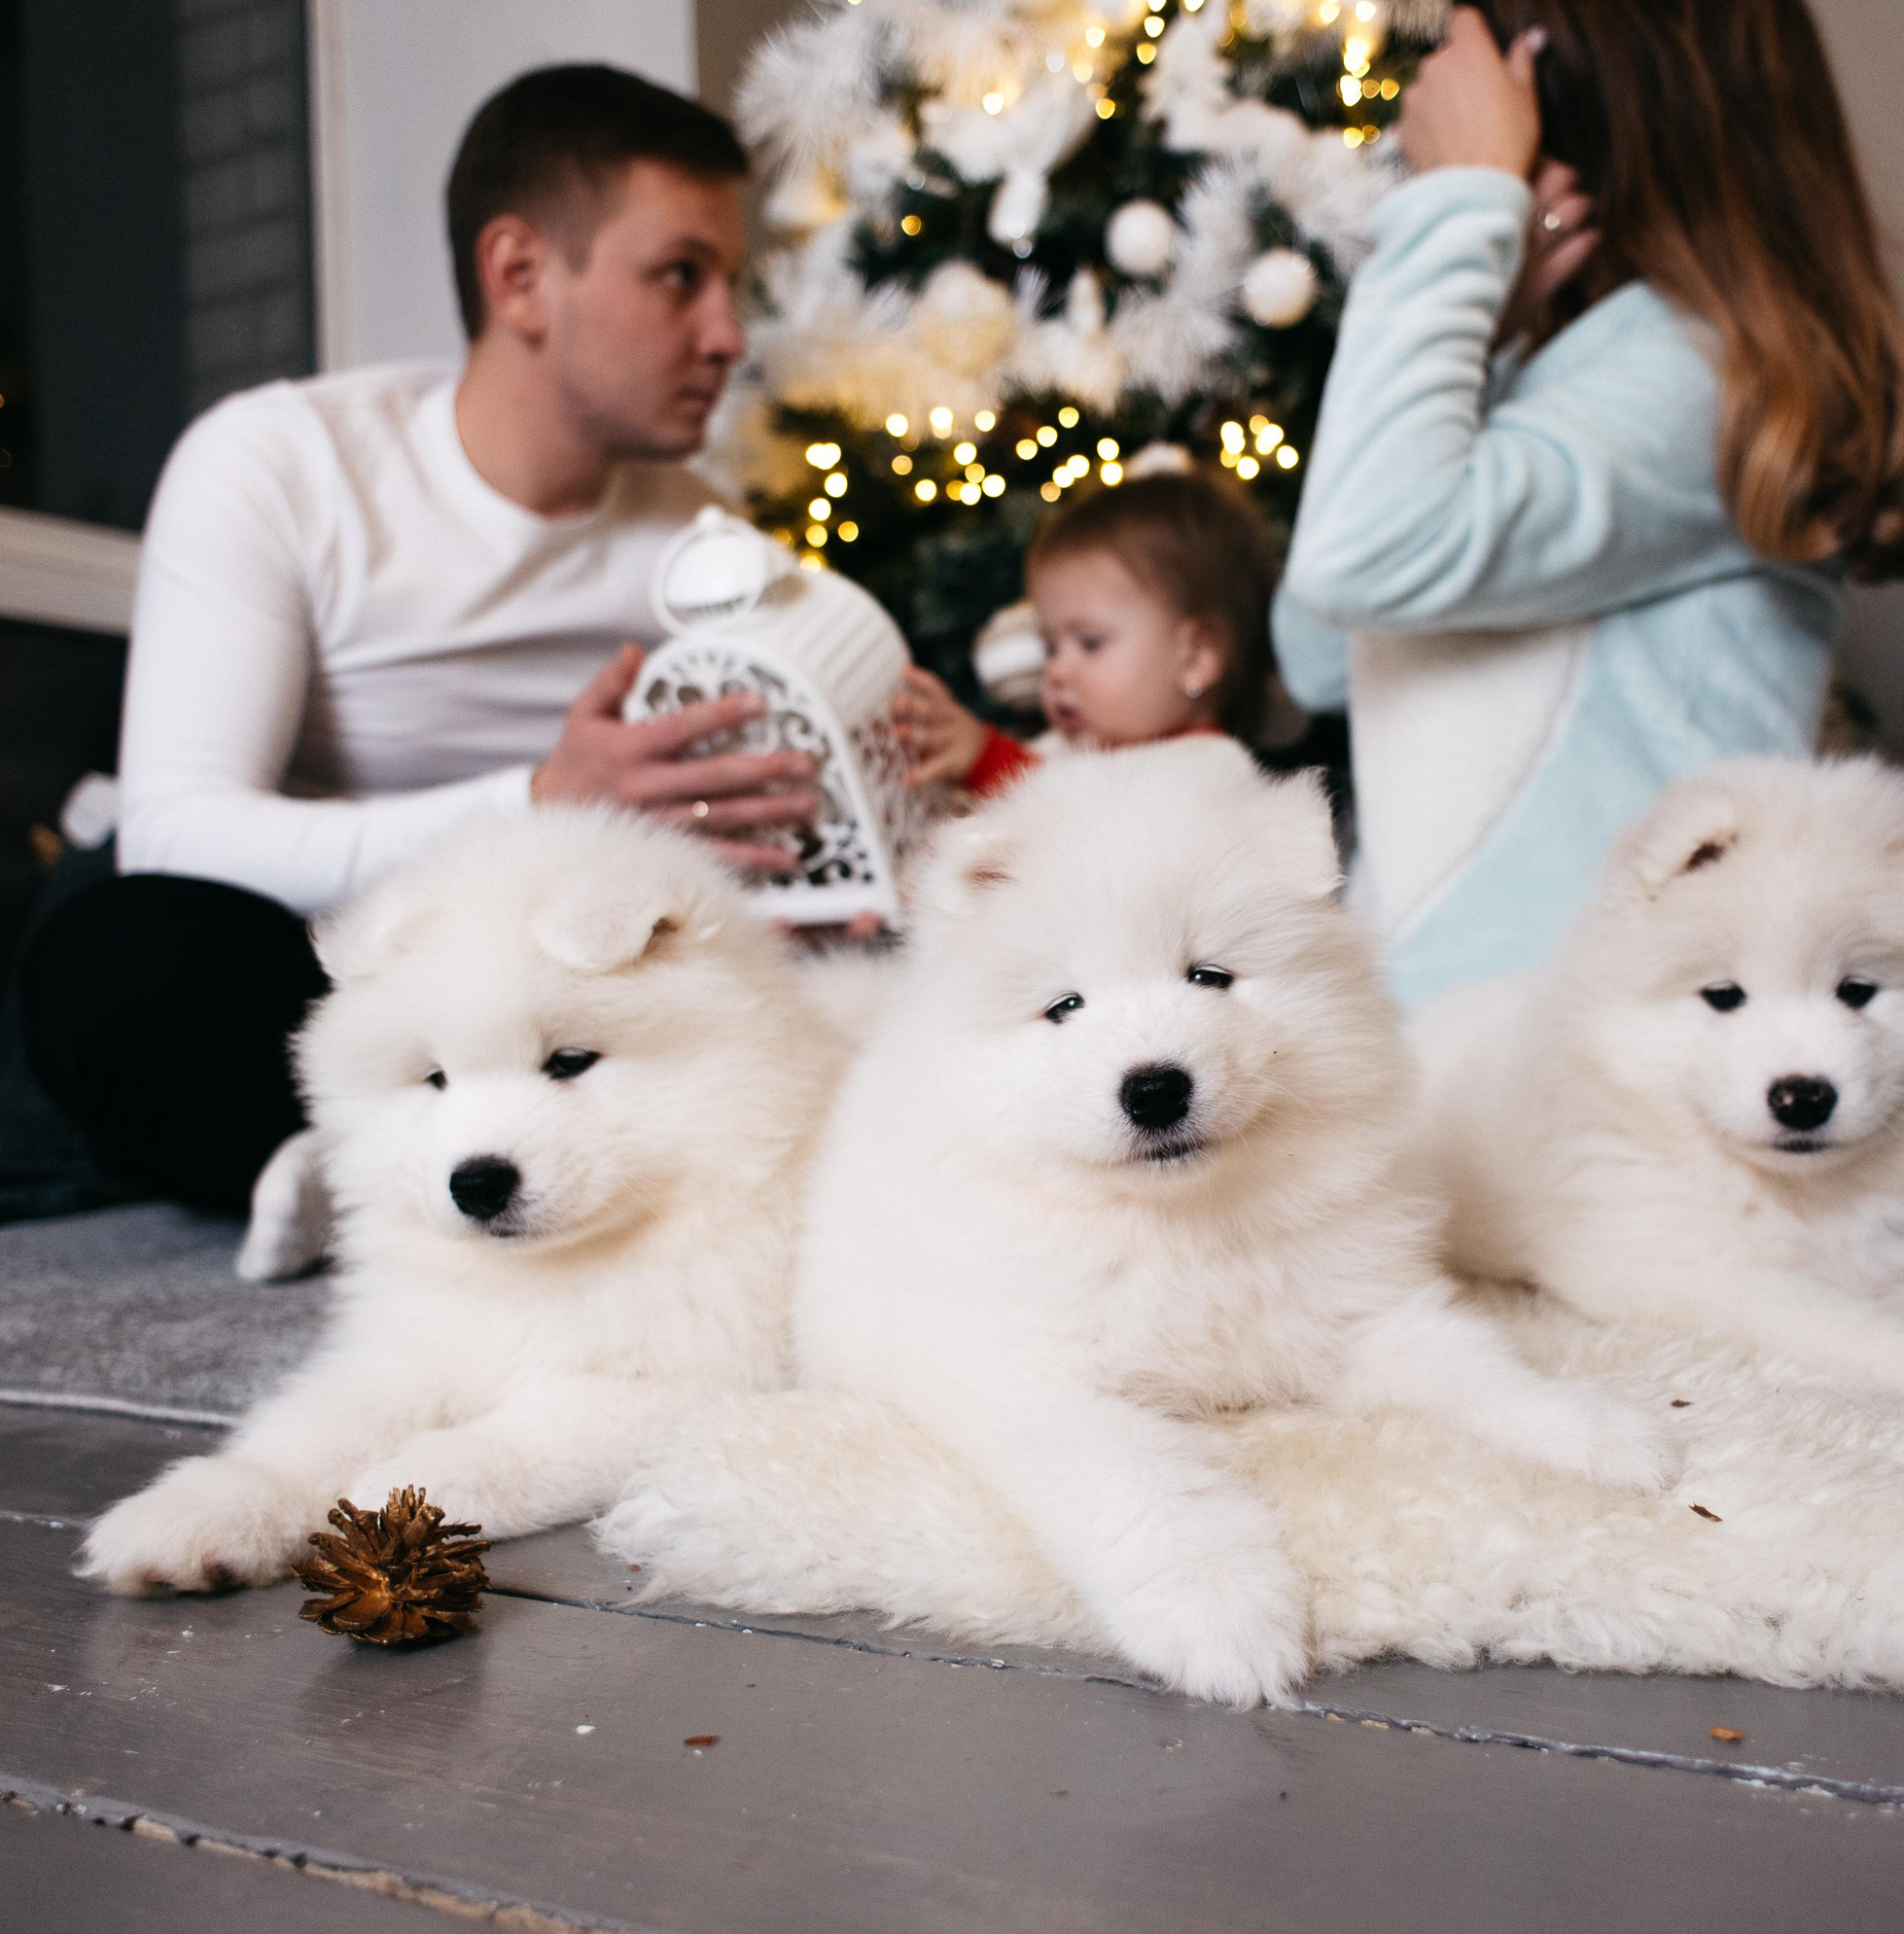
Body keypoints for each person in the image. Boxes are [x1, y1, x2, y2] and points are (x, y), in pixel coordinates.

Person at [17, 64, 824, 1220]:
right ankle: (353, 1164)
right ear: (521, 276)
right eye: (680, 278)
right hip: (319, 966)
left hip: (562, 990)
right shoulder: (278, 464)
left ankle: (351, 1188)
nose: (728, 336)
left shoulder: (703, 540)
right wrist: (540, 799)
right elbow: (176, 829)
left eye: (731, 284)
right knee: (112, 962)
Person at [1274, 0, 1904, 1010]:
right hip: (1464, 1038)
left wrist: (1459, 203)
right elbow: (1317, 650)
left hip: (1603, 1051)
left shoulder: (1697, 374)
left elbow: (1358, 557)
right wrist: (1478, 342)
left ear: (1548, 80)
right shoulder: (1565, 373)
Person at [892, 467, 1280, 795]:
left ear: (1195, 657)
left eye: (1090, 643)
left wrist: (987, 760)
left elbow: (1084, 830)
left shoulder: (1209, 770)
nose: (1056, 672)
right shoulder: (1082, 744)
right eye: (1050, 647)